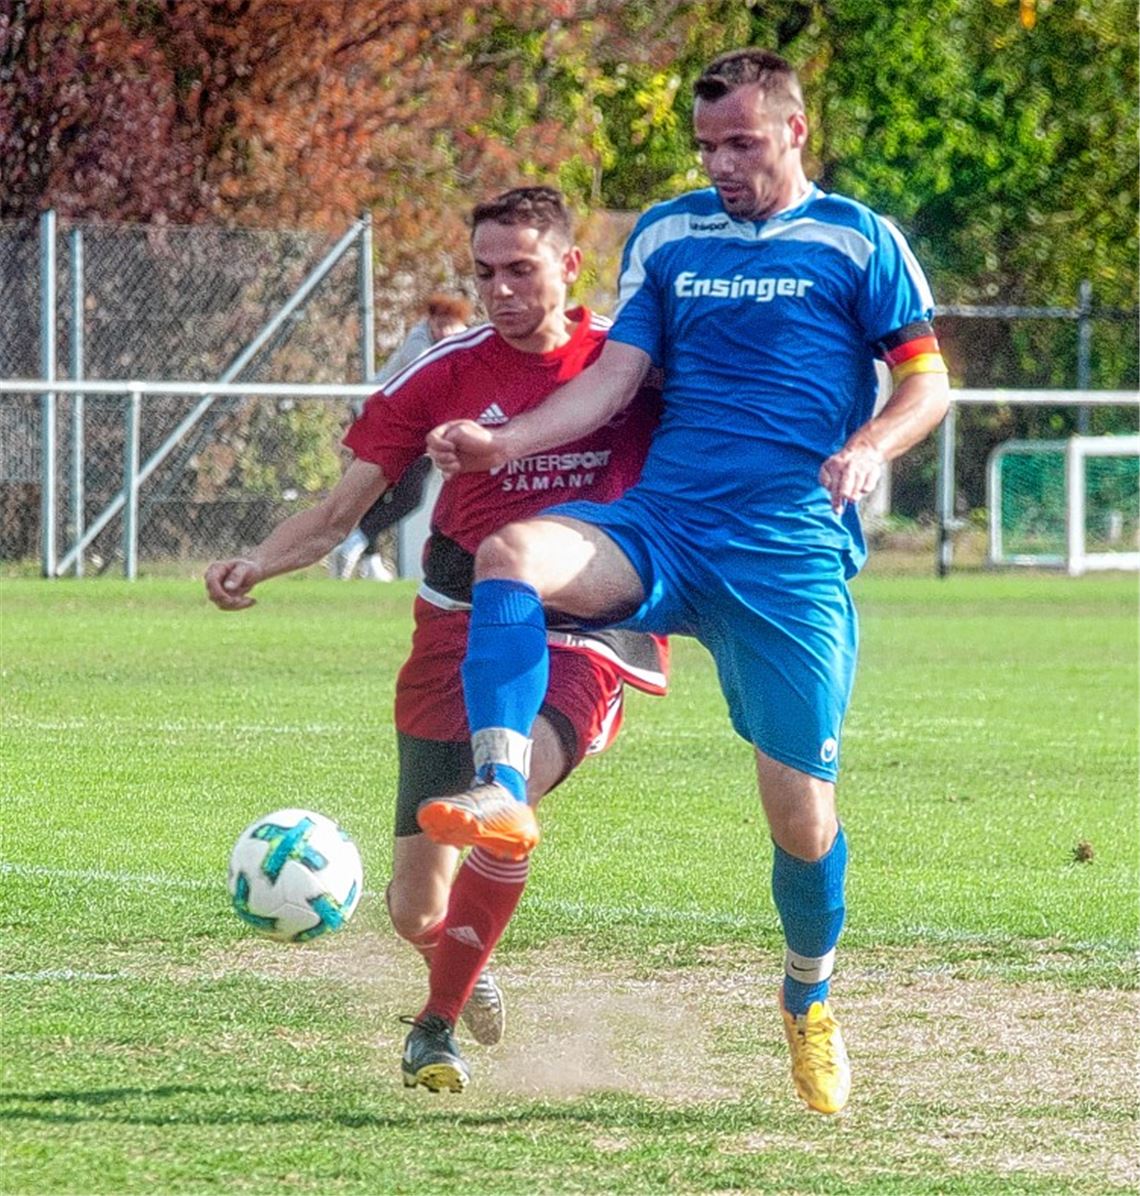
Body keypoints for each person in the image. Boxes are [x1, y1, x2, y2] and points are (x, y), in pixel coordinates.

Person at [424, 49, 951, 1115]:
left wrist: (874, 446)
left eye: (743, 143)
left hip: (787, 554)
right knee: (513, 551)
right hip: (665, 525)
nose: (722, 164)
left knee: (800, 814)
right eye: (709, 146)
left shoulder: (857, 239)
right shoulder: (668, 234)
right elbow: (616, 378)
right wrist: (506, 443)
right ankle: (502, 789)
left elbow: (927, 377)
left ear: (796, 134)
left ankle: (808, 993)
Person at [204, 186, 667, 1095]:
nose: (500, 290)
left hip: (586, 625)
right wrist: (257, 563)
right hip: (455, 619)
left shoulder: (629, 362)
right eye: (485, 272)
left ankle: (434, 1027)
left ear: (571, 266)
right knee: (418, 903)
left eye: (521, 270)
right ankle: (463, 965)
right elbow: (345, 509)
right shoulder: (444, 374)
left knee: (508, 793)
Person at [329, 293, 473, 580]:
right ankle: (358, 544)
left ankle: (365, 556)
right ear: (430, 322)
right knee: (406, 494)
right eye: (439, 324)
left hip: (411, 423)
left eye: (451, 326)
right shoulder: (419, 342)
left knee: (394, 494)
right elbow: (427, 378)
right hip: (380, 416)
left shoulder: (465, 343)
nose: (444, 332)